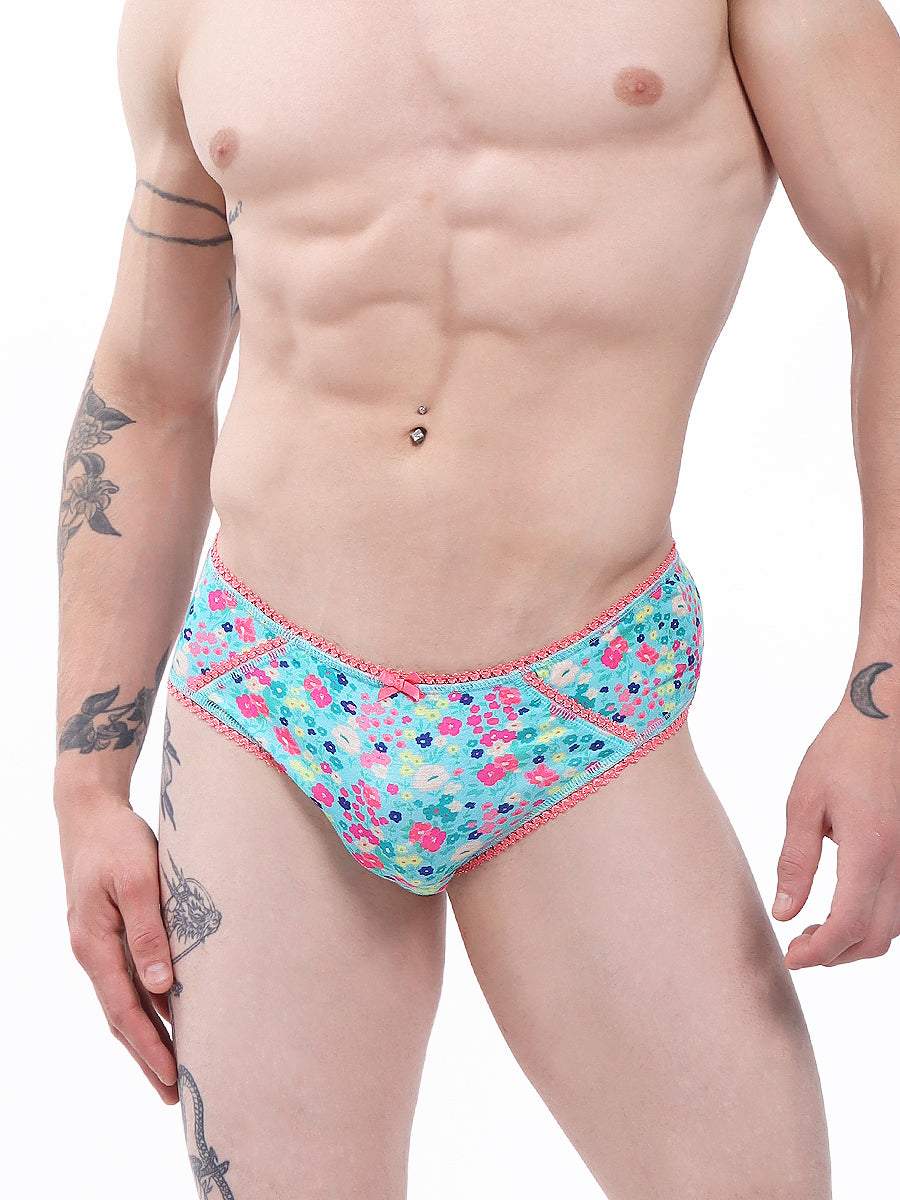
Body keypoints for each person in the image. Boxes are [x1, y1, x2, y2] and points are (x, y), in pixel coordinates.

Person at [53, 0, 900, 1194]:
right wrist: (86, 785)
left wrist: (886, 697)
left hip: (581, 699)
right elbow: (152, 386)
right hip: (267, 697)